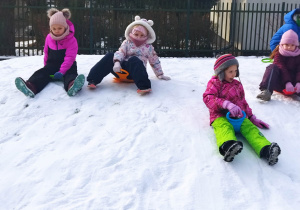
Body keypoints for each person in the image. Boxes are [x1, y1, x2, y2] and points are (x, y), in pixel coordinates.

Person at [203, 54, 281, 165]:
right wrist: (226, 104)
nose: (234, 74)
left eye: (235, 71)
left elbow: (242, 102)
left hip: (238, 116)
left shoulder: (237, 84)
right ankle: (228, 146)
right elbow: (208, 98)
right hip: (219, 115)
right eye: (230, 71)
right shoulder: (215, 83)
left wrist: (251, 117)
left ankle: (266, 149)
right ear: (221, 72)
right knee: (224, 128)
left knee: (250, 128)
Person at [86, 15, 170, 94]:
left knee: (134, 59)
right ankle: (93, 80)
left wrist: (160, 74)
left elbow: (154, 60)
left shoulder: (149, 47)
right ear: (132, 33)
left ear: (147, 36)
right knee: (110, 55)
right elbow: (121, 52)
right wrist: (117, 62)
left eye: (142, 35)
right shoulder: (127, 42)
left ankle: (144, 86)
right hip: (120, 70)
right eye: (136, 34)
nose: (138, 37)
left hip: (135, 74)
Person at [15, 8, 85, 97]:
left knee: (70, 74)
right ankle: (31, 86)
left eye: (60, 28)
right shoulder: (49, 37)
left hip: (68, 65)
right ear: (50, 28)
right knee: (41, 73)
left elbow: (70, 58)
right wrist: (46, 66)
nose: (57, 30)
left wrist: (62, 71)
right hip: (52, 64)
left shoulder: (71, 40)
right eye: (54, 28)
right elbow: (46, 52)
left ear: (65, 27)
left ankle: (73, 85)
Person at [257, 29, 300, 101]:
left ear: (296, 46)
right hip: (280, 83)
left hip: (295, 85)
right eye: (287, 45)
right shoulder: (278, 54)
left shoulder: (298, 55)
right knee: (272, 67)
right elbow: (281, 67)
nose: (289, 47)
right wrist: (287, 82)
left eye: (292, 45)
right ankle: (266, 91)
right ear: (282, 44)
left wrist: (298, 82)